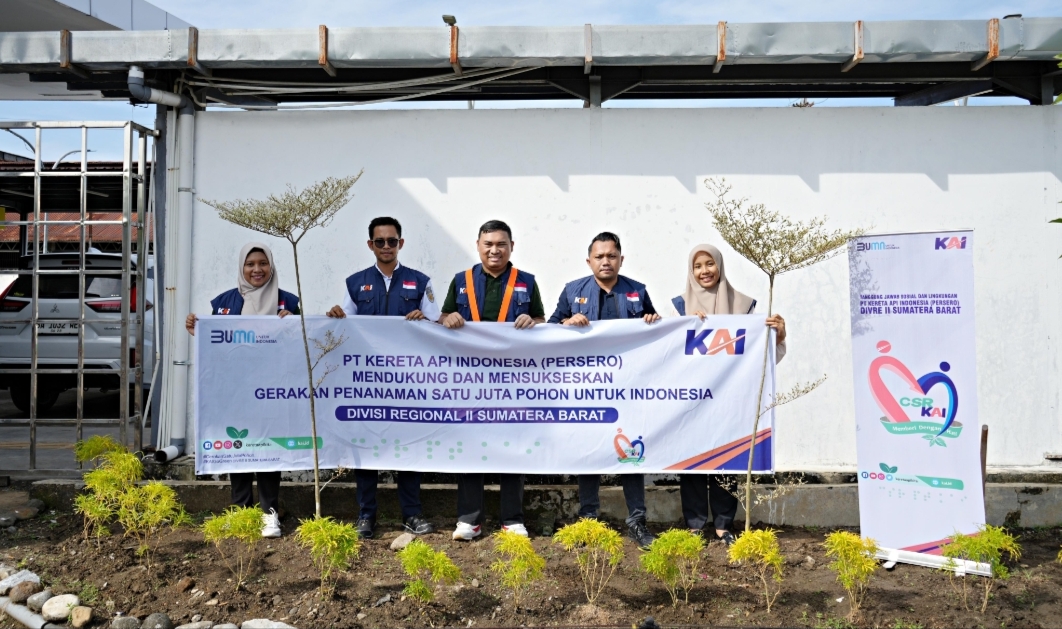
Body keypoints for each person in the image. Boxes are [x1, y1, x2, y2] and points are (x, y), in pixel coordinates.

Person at [326, 216, 439, 539]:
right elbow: (345, 328)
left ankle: (412, 514)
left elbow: (436, 325)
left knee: (408, 445)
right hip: (368, 383)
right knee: (366, 446)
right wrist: (336, 317)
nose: (386, 246)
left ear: (401, 243)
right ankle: (366, 515)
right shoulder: (355, 283)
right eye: (380, 241)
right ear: (370, 245)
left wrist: (424, 319)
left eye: (392, 241)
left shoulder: (420, 282)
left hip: (408, 382)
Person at [548, 232, 661, 549]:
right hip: (589, 389)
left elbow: (657, 332)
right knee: (590, 452)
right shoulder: (573, 291)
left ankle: (637, 522)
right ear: (589, 261)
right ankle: (589, 521)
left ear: (621, 259)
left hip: (628, 390)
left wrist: (652, 319)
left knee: (631, 454)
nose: (606, 261)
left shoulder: (637, 291)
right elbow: (549, 330)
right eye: (599, 256)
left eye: (611, 256)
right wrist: (566, 323)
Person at [669, 243, 786, 546]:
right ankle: (695, 525)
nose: (704, 271)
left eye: (709, 264)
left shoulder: (743, 307)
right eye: (697, 266)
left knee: (728, 459)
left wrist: (778, 335)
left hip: (730, 401)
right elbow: (667, 356)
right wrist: (684, 326)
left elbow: (759, 357)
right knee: (693, 461)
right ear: (690, 271)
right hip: (692, 401)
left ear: (720, 266)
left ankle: (723, 526)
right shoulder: (679, 307)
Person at [439, 219, 546, 540]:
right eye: (488, 244)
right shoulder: (461, 281)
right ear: (478, 246)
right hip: (469, 380)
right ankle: (469, 521)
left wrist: (533, 321)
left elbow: (542, 319)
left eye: (501, 244)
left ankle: (512, 520)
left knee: (513, 443)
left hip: (513, 381)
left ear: (512, 247)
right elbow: (443, 316)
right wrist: (448, 318)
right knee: (469, 443)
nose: (494, 250)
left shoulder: (527, 281)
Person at [185, 242, 299, 539]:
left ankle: (269, 514)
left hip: (272, 391)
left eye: (263, 263)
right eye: (250, 264)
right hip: (234, 392)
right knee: (238, 447)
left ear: (271, 266)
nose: (257, 269)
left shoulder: (288, 302)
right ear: (241, 267)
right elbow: (217, 346)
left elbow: (300, 345)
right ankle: (240, 513)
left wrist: (294, 324)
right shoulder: (224, 302)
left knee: (270, 449)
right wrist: (198, 330)